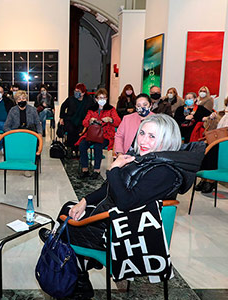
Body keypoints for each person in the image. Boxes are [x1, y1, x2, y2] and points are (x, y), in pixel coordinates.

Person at [39, 114, 204, 298]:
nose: (143, 140)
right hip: (120, 220)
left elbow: (125, 202)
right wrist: (84, 201)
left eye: (152, 136)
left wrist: (114, 169)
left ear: (167, 141)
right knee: (70, 207)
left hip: (125, 235)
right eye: (142, 133)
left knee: (66, 222)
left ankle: (77, 280)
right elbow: (110, 189)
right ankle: (81, 266)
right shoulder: (148, 159)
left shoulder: (164, 172)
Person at [76, 88, 121, 179]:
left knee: (98, 146)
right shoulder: (91, 110)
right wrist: (90, 121)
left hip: (106, 135)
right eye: (100, 98)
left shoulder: (111, 109)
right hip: (92, 134)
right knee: (82, 145)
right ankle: (85, 169)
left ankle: (96, 170)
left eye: (104, 98)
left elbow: (118, 122)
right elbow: (84, 122)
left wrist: (110, 119)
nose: (102, 100)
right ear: (96, 99)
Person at [60, 83, 94, 154]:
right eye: (75, 91)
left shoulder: (89, 100)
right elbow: (63, 106)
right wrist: (61, 118)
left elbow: (93, 110)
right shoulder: (71, 99)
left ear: (83, 93)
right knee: (71, 129)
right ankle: (70, 147)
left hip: (83, 120)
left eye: (78, 91)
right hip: (70, 119)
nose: (76, 93)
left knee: (81, 130)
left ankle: (79, 148)